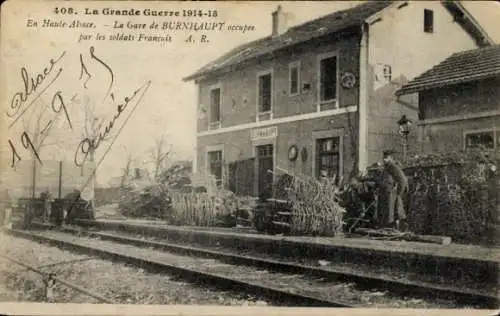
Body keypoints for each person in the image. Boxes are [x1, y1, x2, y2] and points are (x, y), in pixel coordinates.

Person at [378, 150, 409, 230]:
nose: (384, 160)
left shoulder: (393, 167)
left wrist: (398, 193)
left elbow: (402, 180)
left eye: (386, 158)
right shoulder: (386, 168)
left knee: (391, 215)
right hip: (384, 194)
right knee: (385, 214)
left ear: (391, 158)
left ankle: (391, 229)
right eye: (384, 158)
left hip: (391, 195)